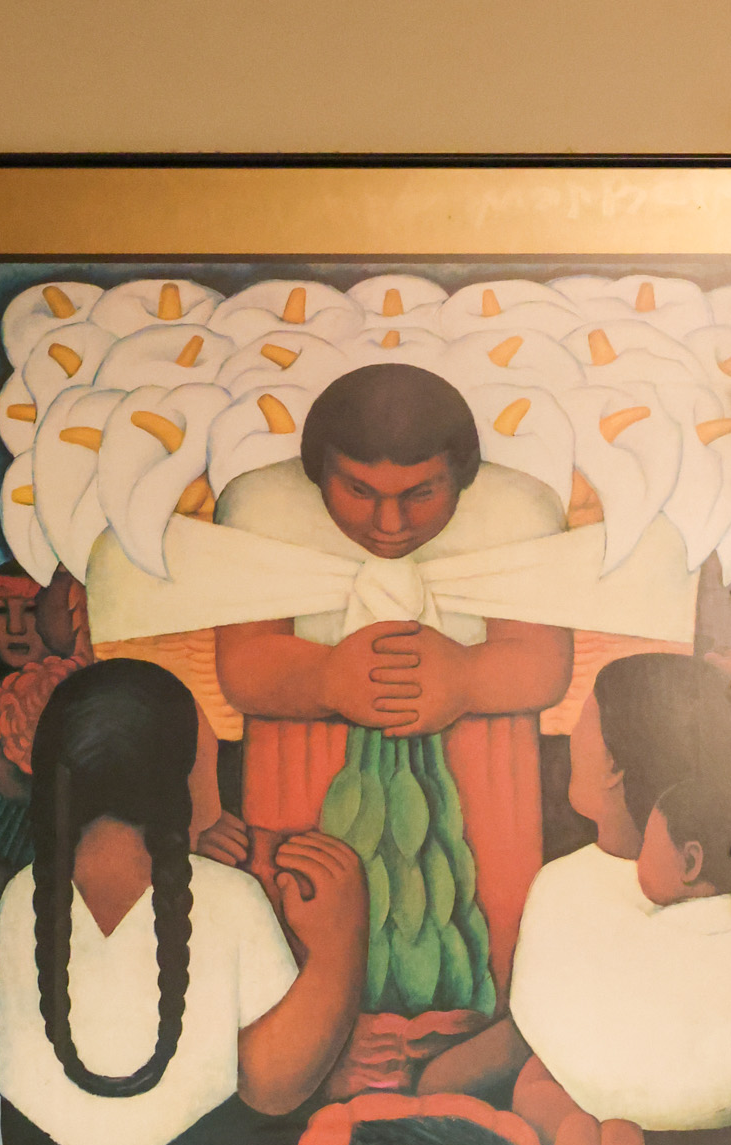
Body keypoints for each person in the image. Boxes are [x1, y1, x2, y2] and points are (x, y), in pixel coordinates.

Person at [426, 653, 731, 1145]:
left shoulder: (572, 887)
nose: (572, 733)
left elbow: (534, 1039)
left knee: (539, 1105)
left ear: (617, 767)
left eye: (585, 721)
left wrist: (438, 1081)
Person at [0, 658, 366, 1145]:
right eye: (209, 753)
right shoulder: (226, 896)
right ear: (182, 784)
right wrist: (338, 949)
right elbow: (273, 1085)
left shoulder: (18, 898)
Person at [210, 365, 573, 994]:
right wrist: (324, 676)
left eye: (420, 493)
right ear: (317, 470)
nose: (390, 523)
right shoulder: (258, 508)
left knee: (495, 951)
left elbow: (544, 666)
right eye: (358, 490)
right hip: (302, 780)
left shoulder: (521, 510)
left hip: (485, 780)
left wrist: (467, 677)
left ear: (461, 473)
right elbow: (242, 668)